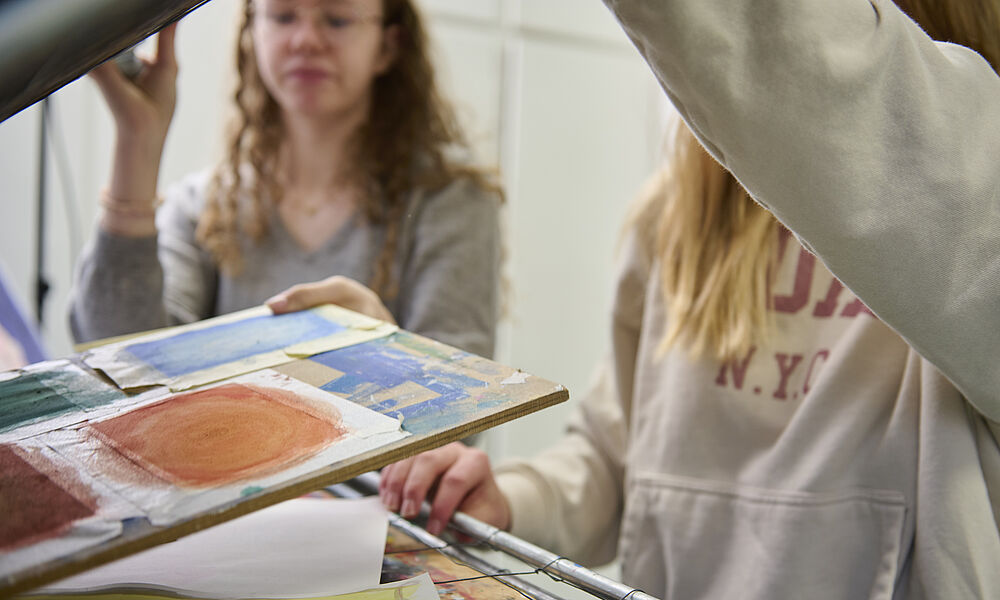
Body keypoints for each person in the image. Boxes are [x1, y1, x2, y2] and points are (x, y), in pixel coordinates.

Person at [355, 0, 1000, 597]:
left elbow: (790, 51)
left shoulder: (975, 212)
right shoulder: (674, 216)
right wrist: (511, 498)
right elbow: (610, 460)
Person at [69, 0, 501, 361]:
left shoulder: (450, 199)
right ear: (252, 34)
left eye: (337, 19)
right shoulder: (205, 205)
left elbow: (468, 418)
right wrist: (138, 140)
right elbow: (121, 358)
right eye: (282, 16)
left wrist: (388, 349)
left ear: (388, 47)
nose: (306, 40)